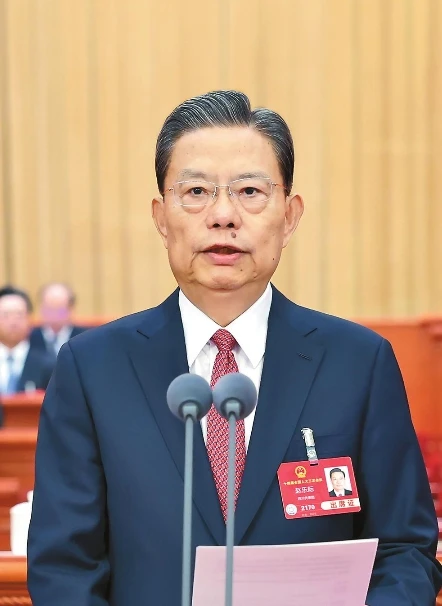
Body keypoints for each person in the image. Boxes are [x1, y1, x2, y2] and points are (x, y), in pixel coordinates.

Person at [27, 91, 442, 605]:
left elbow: (406, 549)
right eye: (196, 191)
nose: (223, 215)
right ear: (161, 217)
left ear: (290, 216)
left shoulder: (359, 363)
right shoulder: (93, 369)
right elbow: (64, 567)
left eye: (249, 191)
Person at [0, 286, 53, 395]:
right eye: (6, 315)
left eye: (19, 315)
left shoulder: (48, 365)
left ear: (29, 319)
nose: (13, 322)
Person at [30, 282, 87, 358]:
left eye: (59, 309)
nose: (54, 314)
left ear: (71, 309)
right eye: (49, 308)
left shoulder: (84, 338)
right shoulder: (29, 337)